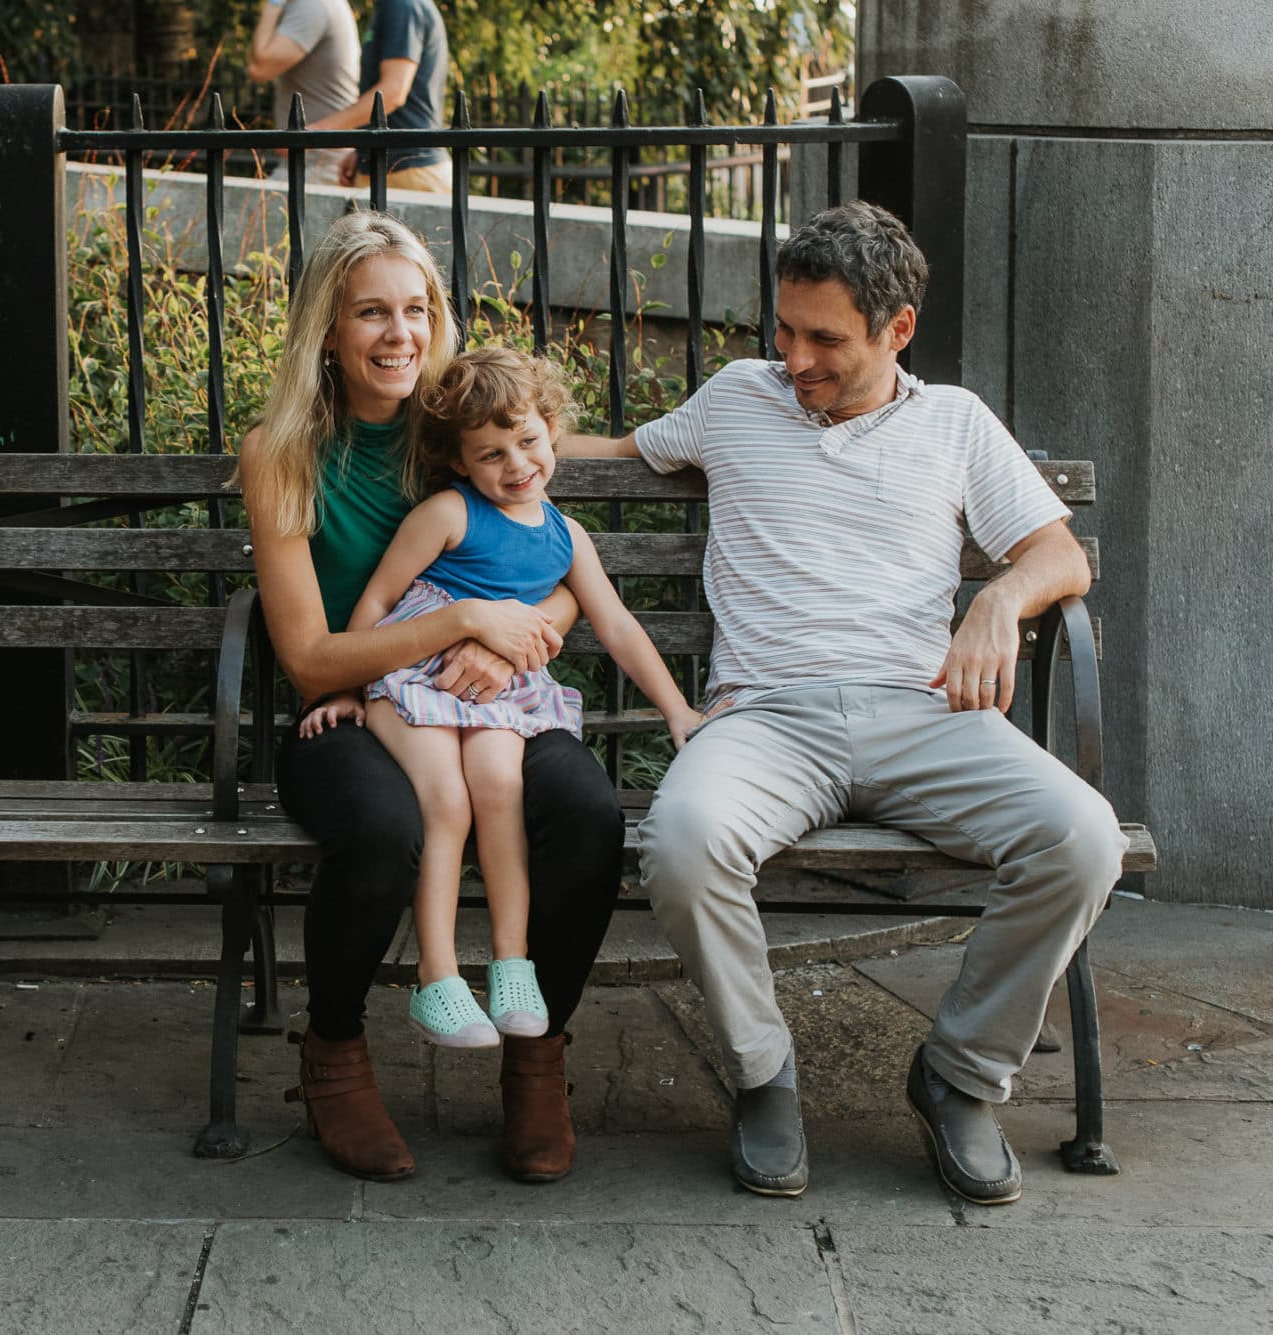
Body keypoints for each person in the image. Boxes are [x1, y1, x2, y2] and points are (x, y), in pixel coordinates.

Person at [569, 201, 1129, 1206]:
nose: (792, 359)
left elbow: (1055, 554)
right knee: (681, 843)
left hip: (922, 715)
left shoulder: (953, 421)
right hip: (764, 720)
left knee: (1082, 839)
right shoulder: (736, 396)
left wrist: (997, 599)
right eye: (782, 330)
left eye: (823, 338)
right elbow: (602, 454)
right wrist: (444, 438)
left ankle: (957, 1077)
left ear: (895, 330)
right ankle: (760, 1074)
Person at [236, 211, 621, 1185]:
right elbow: (310, 660)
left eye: (415, 309)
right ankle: (332, 1053)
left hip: (492, 699)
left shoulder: (453, 428)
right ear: (326, 328)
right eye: (371, 312)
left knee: (586, 813)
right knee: (379, 828)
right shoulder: (281, 454)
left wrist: (530, 632)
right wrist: (460, 625)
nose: (398, 333)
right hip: (349, 708)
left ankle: (537, 1052)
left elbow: (562, 545)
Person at [297, 349, 699, 1052]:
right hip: (417, 675)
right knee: (445, 800)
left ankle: (511, 965)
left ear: (552, 430)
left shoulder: (566, 536)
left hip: (497, 690)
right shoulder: (448, 512)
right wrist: (351, 691)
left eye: (528, 442)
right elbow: (379, 600)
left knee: (500, 787)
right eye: (490, 453)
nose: (515, 465)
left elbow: (617, 626)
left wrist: (678, 710)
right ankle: (439, 976)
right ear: (459, 461)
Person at [305, 0, 452, 193]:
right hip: (392, 166)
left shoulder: (402, 6)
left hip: (408, 171)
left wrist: (315, 133)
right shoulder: (390, 7)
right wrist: (363, 149)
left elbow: (393, 92)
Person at [245, 0, 361, 187]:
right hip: (312, 163)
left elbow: (260, 68)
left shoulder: (312, 6)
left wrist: (272, 6)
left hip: (317, 167)